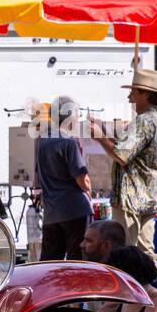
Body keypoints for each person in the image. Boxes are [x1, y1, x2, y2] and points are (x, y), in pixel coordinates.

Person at [95, 68, 157, 248]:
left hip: (132, 198)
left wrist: (98, 136)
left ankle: (134, 277)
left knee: (126, 251)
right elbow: (129, 150)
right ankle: (148, 277)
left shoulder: (144, 121)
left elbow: (121, 155)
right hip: (147, 197)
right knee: (144, 251)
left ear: (145, 95)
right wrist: (105, 135)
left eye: (133, 91)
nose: (129, 97)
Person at [34, 96, 93, 260]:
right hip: (75, 209)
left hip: (52, 211)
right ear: (71, 117)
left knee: (51, 261)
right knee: (77, 258)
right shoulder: (68, 142)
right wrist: (89, 192)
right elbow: (82, 179)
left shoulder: (42, 141)